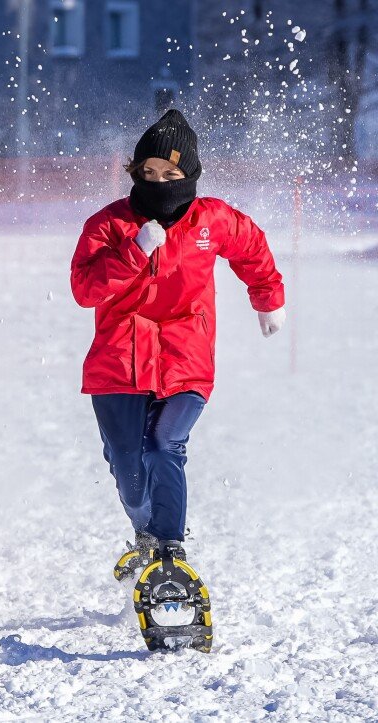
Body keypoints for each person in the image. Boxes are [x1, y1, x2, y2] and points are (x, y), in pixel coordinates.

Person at [70, 110, 286, 578]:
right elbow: (84, 289)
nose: (159, 182)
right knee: (128, 468)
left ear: (190, 176)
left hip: (186, 351)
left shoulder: (212, 218)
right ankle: (145, 532)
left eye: (171, 174)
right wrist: (133, 251)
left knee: (165, 442)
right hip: (119, 360)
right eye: (148, 172)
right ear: (135, 173)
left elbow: (252, 247)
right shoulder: (109, 225)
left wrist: (267, 297)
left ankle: (169, 550)